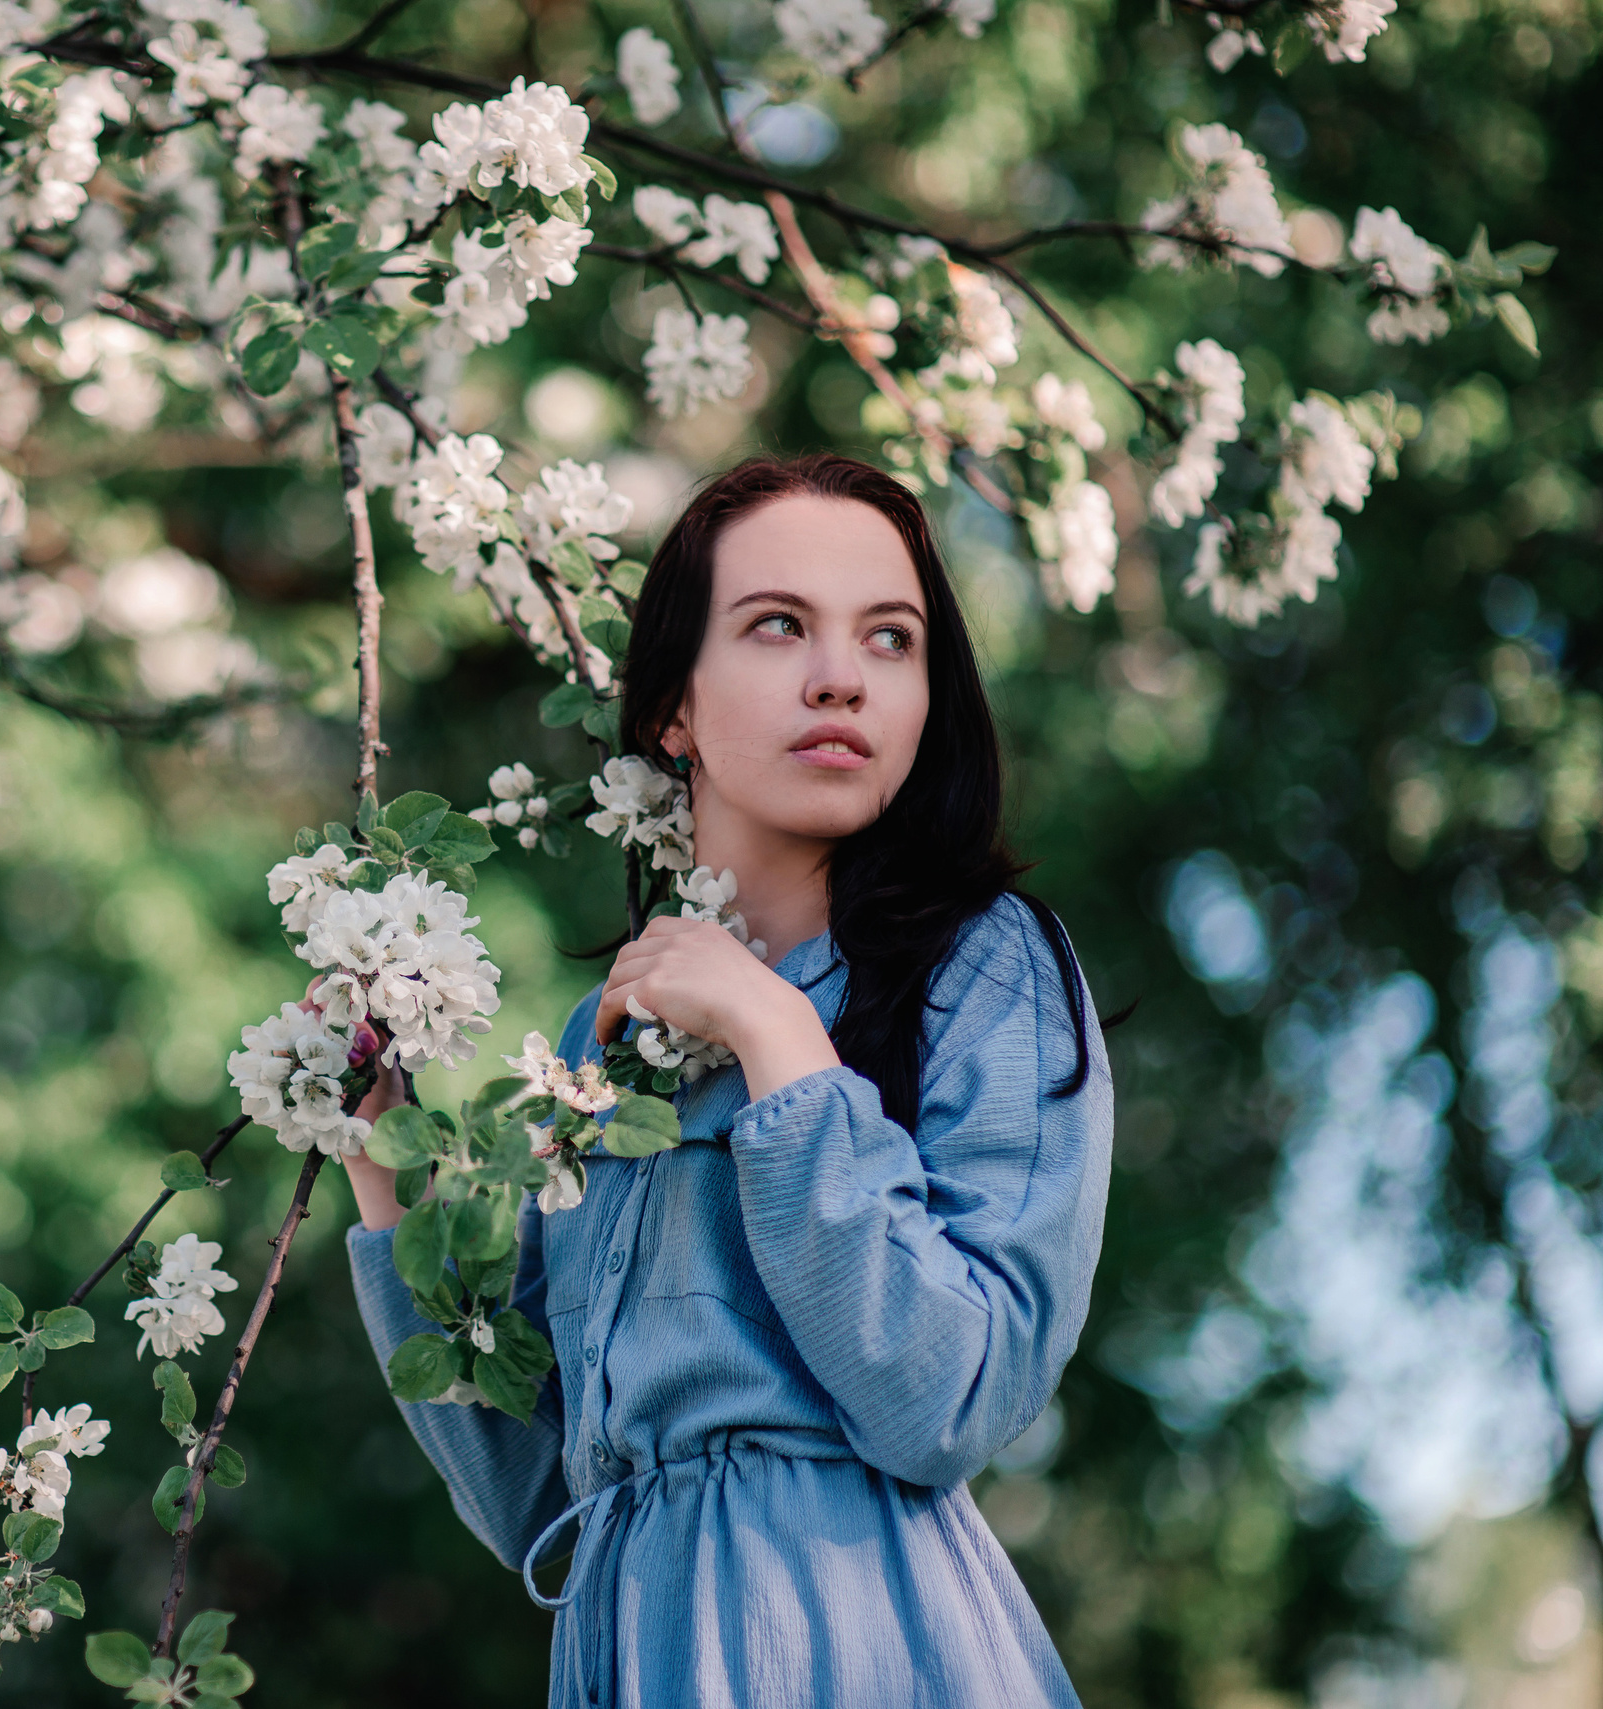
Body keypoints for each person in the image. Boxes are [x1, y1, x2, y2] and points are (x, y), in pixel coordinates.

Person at [338, 452, 1114, 1707]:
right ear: (671, 711)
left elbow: (951, 1394)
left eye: (892, 637)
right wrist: (379, 1162)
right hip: (627, 1648)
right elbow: (549, 1497)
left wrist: (780, 1045)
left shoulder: (986, 964)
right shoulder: (601, 1044)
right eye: (776, 624)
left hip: (855, 1636)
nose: (841, 675)